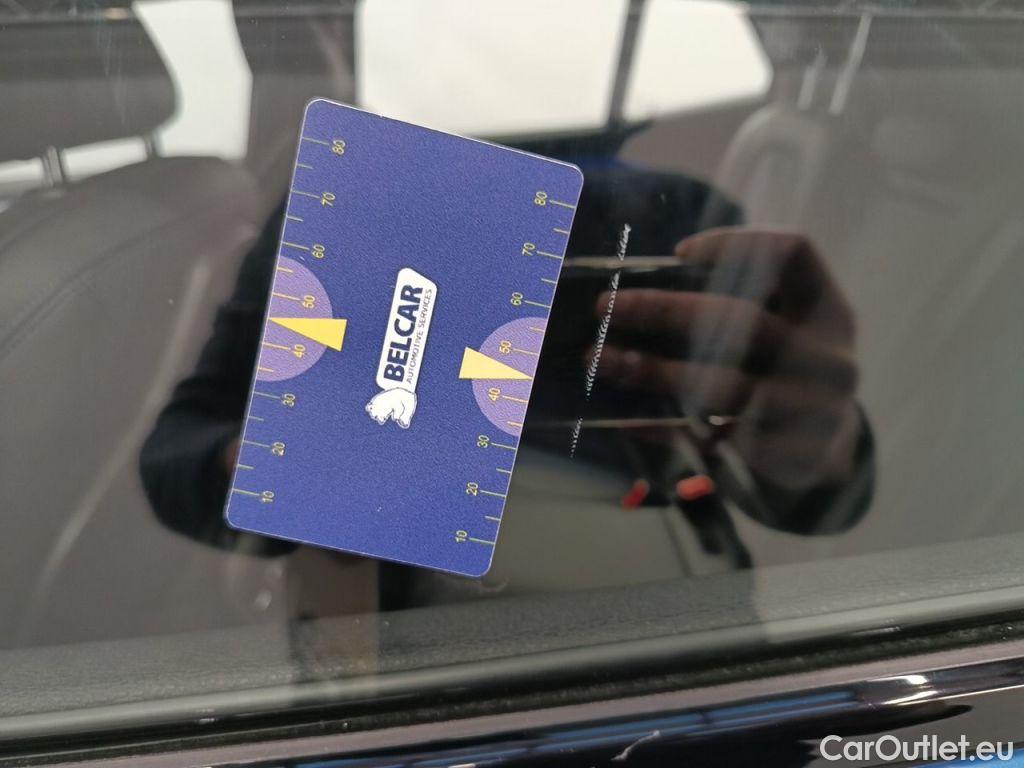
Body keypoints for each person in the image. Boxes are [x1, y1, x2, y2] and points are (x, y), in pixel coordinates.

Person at [139, 161, 873, 595]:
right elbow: (176, 455)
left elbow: (816, 493)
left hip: (659, 610)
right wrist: (291, 471)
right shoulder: (333, 208)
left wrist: (816, 448)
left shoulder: (681, 213)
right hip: (413, 638)